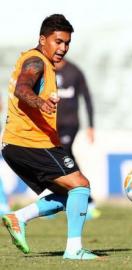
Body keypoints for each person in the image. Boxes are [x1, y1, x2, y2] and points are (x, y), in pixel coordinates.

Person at [1, 14, 99, 260]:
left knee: (72, 196)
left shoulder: (36, 60)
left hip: (19, 144)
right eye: (58, 41)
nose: (63, 48)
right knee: (81, 185)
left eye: (67, 43)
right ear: (42, 39)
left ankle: (18, 217)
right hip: (29, 143)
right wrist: (39, 102)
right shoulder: (35, 61)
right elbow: (22, 88)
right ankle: (74, 249)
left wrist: (41, 101)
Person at [54, 59, 100, 220]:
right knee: (56, 160)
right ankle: (58, 200)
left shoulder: (74, 71)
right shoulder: (45, 69)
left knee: (64, 155)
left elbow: (87, 98)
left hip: (69, 123)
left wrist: (91, 126)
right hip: (50, 125)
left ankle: (88, 199)